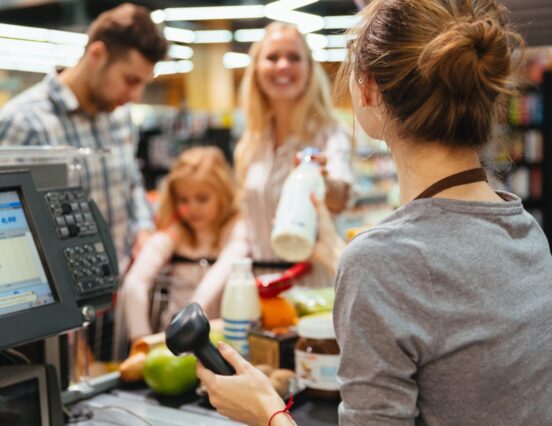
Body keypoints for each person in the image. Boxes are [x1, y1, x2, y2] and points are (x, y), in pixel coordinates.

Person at [197, 1, 552, 425]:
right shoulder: (527, 232)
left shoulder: (383, 260)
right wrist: (338, 252)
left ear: (368, 91)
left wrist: (266, 410)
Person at [0, 3, 168, 272]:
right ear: (97, 54)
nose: (136, 95)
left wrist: (143, 229)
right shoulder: (24, 122)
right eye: (130, 79)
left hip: (124, 288)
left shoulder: (120, 116)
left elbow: (131, 181)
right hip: (66, 301)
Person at [233, 21, 354, 288]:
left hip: (314, 285)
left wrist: (321, 180)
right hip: (261, 286)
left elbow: (342, 196)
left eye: (294, 57)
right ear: (256, 70)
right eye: (272, 57)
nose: (283, 66)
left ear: (310, 70)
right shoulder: (250, 143)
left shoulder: (330, 134)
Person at [121, 147, 248, 342]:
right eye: (183, 199)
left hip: (222, 338)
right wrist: (141, 338)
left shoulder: (236, 227)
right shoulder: (175, 232)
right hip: (173, 340)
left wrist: (193, 313)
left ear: (223, 194)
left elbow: (228, 264)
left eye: (202, 198)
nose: (192, 208)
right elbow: (135, 283)